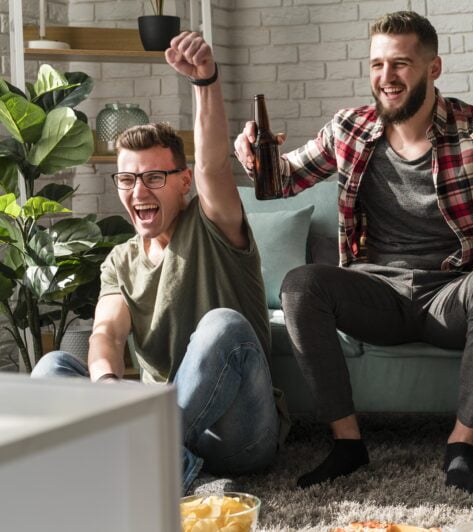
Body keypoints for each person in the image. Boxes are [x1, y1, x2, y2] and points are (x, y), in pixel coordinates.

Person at [233, 11, 473, 493]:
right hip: (376, 294)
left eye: (401, 64)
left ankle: (461, 448)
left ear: (434, 68)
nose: (386, 78)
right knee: (301, 284)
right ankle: (347, 444)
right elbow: (281, 181)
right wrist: (252, 156)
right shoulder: (349, 128)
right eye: (377, 65)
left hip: (451, 295)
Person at [31, 32, 290, 493]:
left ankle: (125, 459)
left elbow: (213, 165)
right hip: (161, 417)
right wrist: (109, 384)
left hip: (237, 430)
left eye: (154, 176)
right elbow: (108, 332)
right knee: (52, 368)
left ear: (183, 182)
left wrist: (206, 80)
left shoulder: (212, 223)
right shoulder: (120, 260)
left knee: (224, 326)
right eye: (127, 178)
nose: (138, 190)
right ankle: (171, 466)